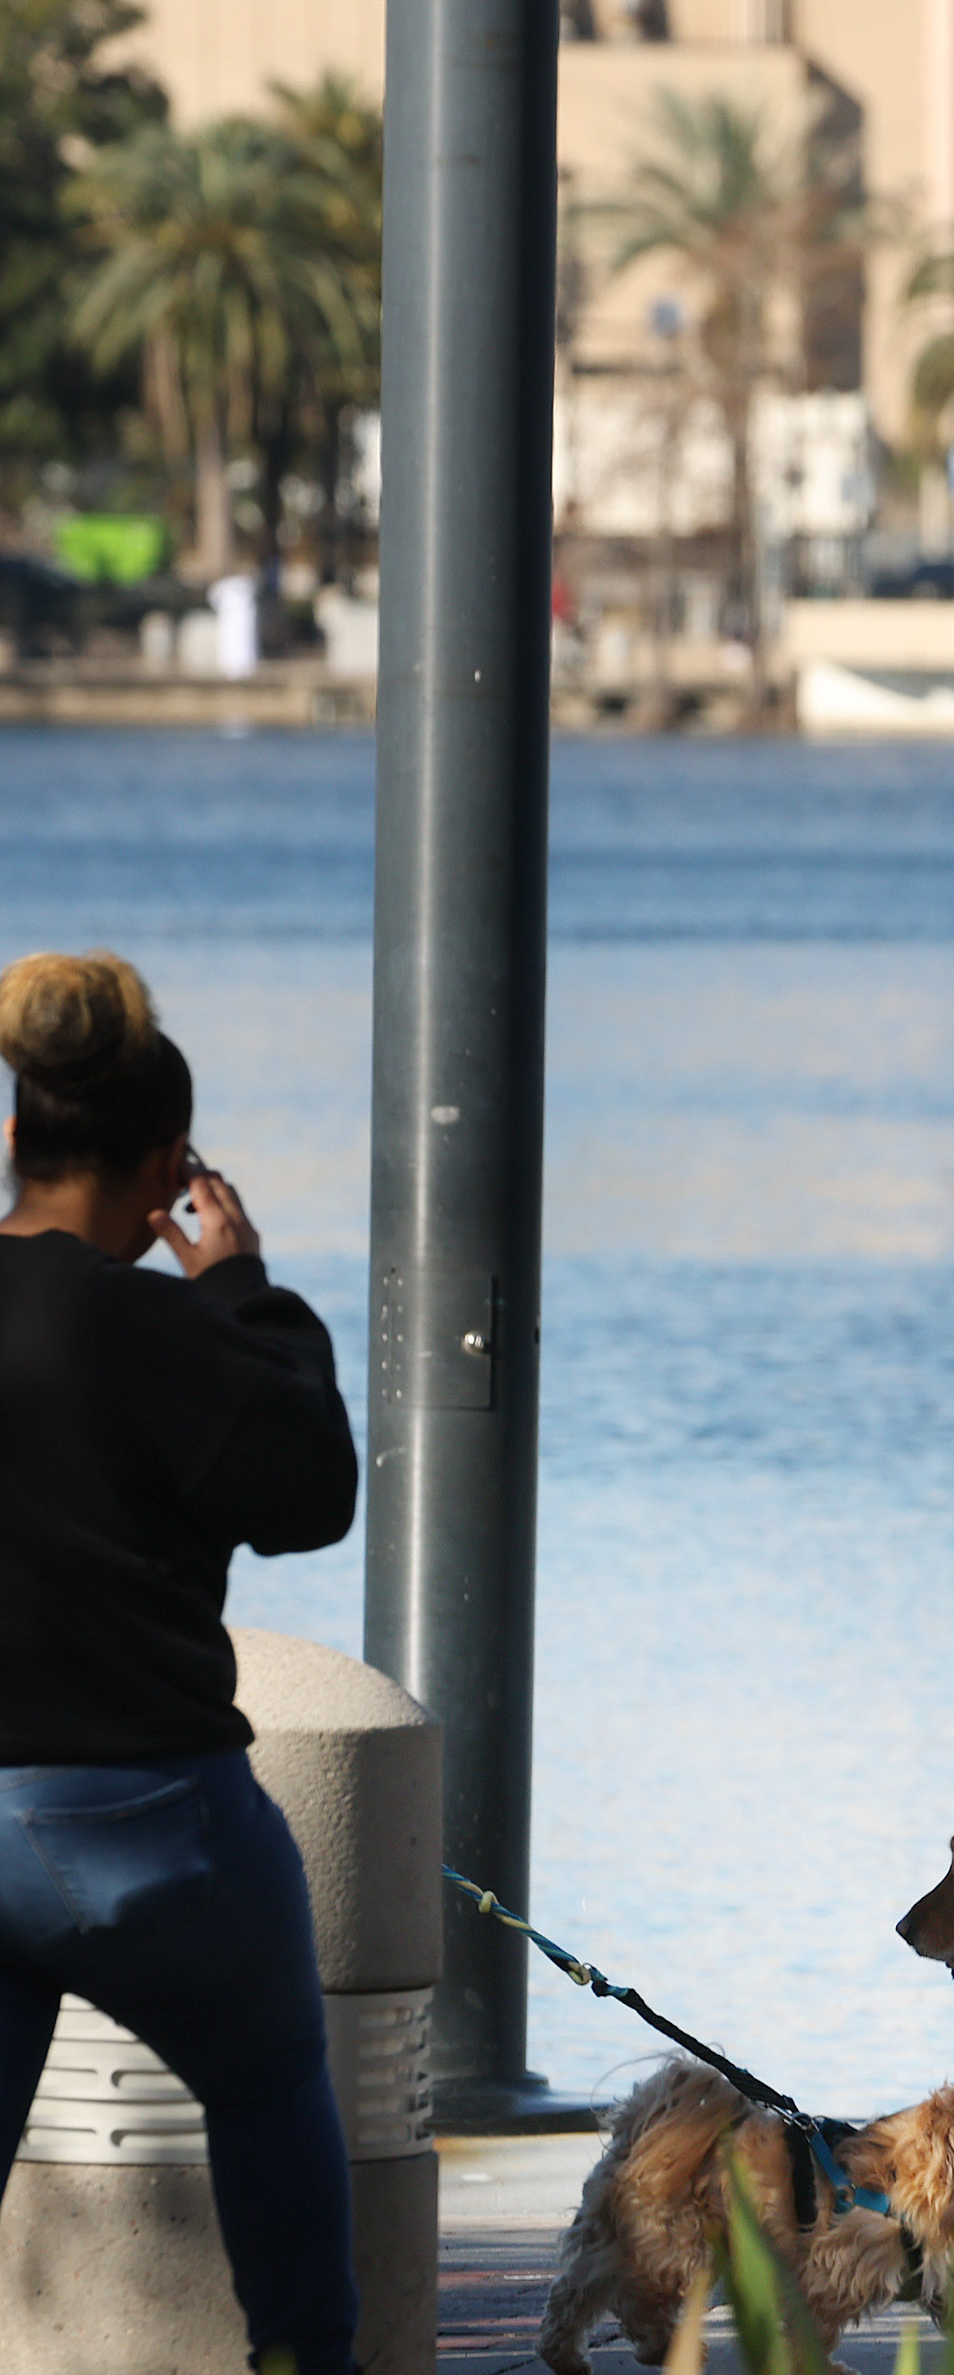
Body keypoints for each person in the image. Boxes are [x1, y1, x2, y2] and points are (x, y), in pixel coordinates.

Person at [0, 949, 364, 2372]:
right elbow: (311, 1493)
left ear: (18, 1138)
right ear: (170, 1174)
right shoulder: (166, 1323)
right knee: (270, 2080)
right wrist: (245, 1285)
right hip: (169, 1834)